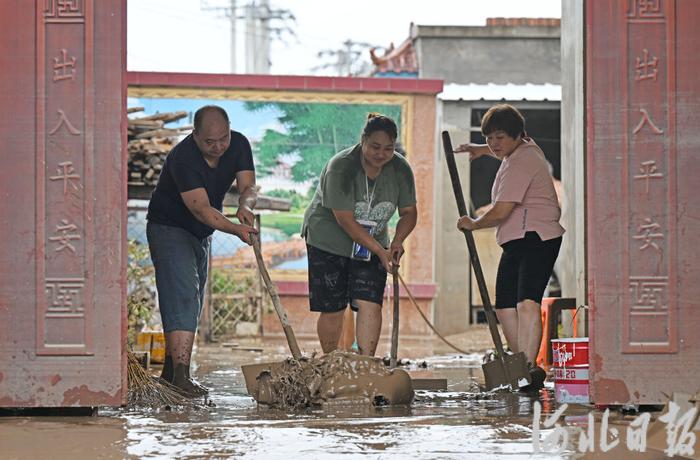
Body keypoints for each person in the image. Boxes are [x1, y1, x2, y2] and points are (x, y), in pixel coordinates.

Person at [146, 105, 258, 396]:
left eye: (223, 138)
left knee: (192, 299)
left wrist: (245, 206)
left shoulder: (240, 144)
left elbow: (249, 186)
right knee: (181, 294)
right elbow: (200, 209)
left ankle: (171, 374)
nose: (219, 147)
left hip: (201, 234)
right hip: (169, 227)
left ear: (230, 129)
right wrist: (236, 229)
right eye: (210, 142)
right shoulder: (183, 157)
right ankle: (182, 376)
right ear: (194, 135)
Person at [455, 104, 564, 391]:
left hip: (538, 236)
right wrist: (481, 149)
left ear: (518, 135)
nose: (494, 143)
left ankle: (528, 366)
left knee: (526, 303)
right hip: (516, 238)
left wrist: (473, 223)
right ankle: (519, 364)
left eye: (499, 137)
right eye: (489, 137)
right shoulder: (520, 148)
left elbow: (502, 210)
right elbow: (502, 146)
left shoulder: (522, 161)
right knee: (503, 307)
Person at [302, 113, 418, 356]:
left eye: (388, 148)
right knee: (333, 306)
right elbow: (344, 219)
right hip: (328, 239)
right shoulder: (341, 166)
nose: (381, 154)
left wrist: (397, 241)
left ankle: (365, 363)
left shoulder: (400, 169)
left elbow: (409, 212)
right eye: (375, 146)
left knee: (370, 301)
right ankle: (331, 361)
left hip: (374, 242)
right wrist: (379, 250)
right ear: (363, 140)